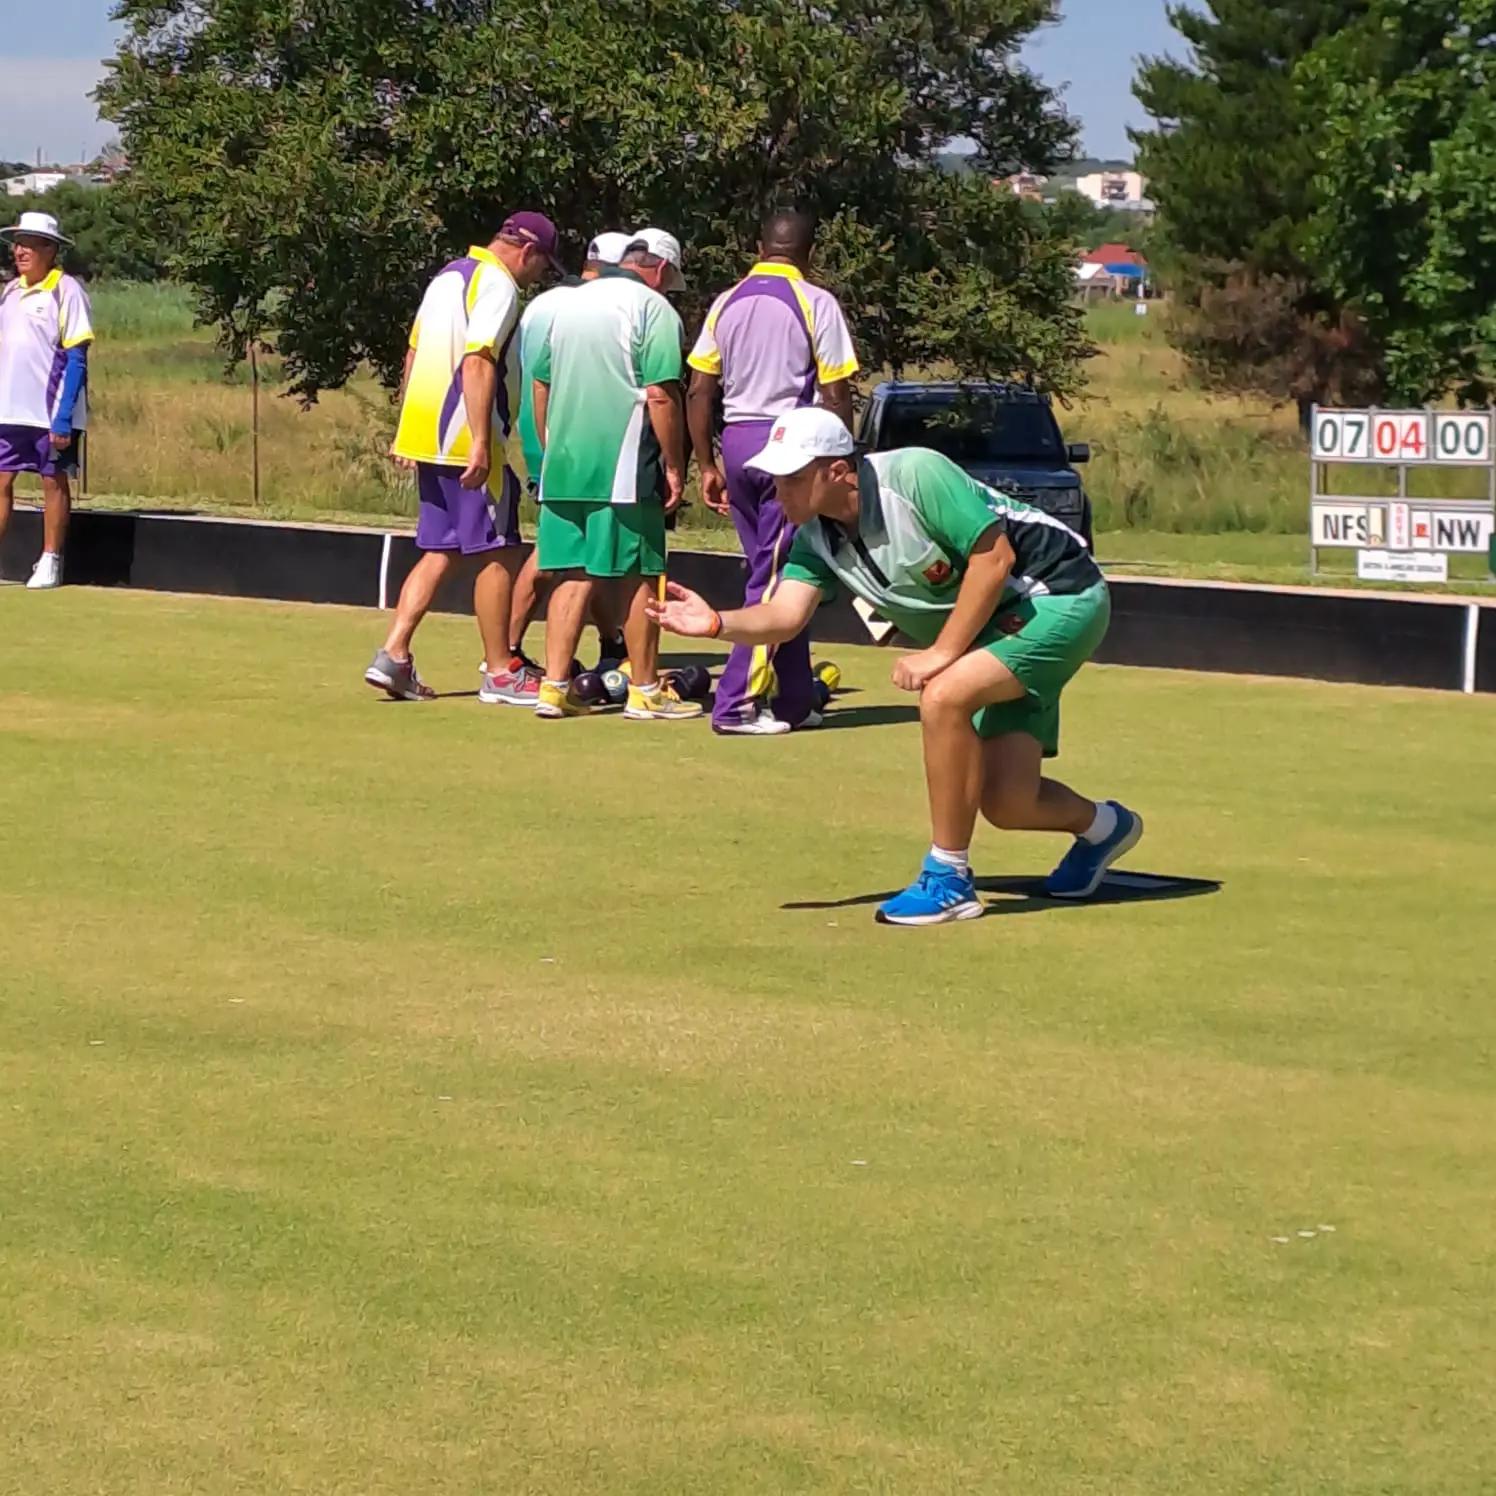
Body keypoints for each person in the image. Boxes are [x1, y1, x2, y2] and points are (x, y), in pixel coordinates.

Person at [648, 407, 1143, 926]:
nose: (779, 493)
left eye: (792, 479)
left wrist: (941, 654)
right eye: (775, 479)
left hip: (1060, 595)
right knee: (1008, 803)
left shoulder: (914, 474)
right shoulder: (815, 536)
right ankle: (1106, 827)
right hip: (993, 632)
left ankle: (949, 877)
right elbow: (785, 616)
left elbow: (993, 560)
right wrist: (714, 623)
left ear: (837, 472)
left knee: (944, 695)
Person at [364, 211, 561, 703]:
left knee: (443, 547)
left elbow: (413, 355)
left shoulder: (447, 276)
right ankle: (500, 671)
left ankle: (394, 654)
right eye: (540, 266)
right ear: (528, 252)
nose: (537, 276)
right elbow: (477, 360)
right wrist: (480, 441)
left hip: (430, 436)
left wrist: (408, 430)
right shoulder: (498, 287)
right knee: (498, 549)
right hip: (465, 440)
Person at [686, 211, 858, 735]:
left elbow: (698, 389)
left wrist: (705, 462)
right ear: (810, 252)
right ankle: (735, 705)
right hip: (790, 446)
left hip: (737, 442)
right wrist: (839, 461)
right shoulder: (817, 303)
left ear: (760, 246)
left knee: (785, 570)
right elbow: (835, 393)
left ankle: (792, 700)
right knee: (776, 577)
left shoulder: (726, 301)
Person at [529, 230, 701, 721]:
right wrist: (673, 463)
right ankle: (645, 689)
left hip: (564, 464)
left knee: (573, 569)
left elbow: (540, 382)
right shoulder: (654, 310)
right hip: (623, 465)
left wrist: (549, 447)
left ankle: (553, 687)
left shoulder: (567, 303)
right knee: (643, 572)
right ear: (662, 270)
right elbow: (661, 394)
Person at [505, 230, 635, 674]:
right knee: (551, 554)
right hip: (562, 442)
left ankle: (611, 641)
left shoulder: (544, 303)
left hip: (549, 437)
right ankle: (506, 653)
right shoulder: (591, 308)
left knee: (582, 553)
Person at [0, 211, 93, 590]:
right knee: (1, 481)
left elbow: (76, 356)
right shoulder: (10, 291)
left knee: (52, 482)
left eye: (29, 244)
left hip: (50, 411)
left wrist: (64, 417)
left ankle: (51, 559)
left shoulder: (66, 290)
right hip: (8, 409)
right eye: (17, 243)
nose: (19, 250)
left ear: (50, 249)